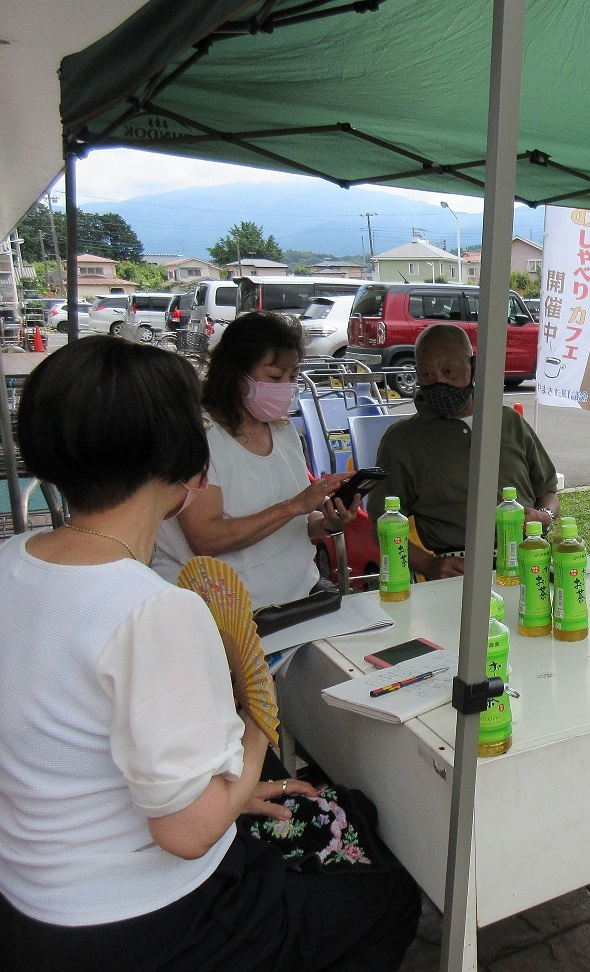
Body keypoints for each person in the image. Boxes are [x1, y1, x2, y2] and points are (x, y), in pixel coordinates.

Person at [0, 337, 420, 971]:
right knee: (384, 895)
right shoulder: (154, 610)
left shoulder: (13, 561)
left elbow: (75, 752)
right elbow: (189, 834)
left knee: (309, 807)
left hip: (28, 907)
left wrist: (229, 791)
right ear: (186, 463)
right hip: (142, 922)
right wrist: (257, 726)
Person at [153, 312, 359, 610]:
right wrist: (296, 505)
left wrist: (325, 522)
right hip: (226, 615)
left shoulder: (282, 429)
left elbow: (294, 524)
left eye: (293, 376)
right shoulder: (199, 436)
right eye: (275, 376)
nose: (286, 386)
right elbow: (205, 538)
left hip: (295, 600)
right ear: (236, 373)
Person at [369, 323, 560, 580]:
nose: (439, 382)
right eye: (426, 375)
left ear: (473, 367)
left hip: (528, 562)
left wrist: (543, 516)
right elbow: (379, 526)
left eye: (449, 371)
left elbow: (548, 492)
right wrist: (428, 565)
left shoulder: (508, 422)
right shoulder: (402, 440)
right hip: (458, 573)